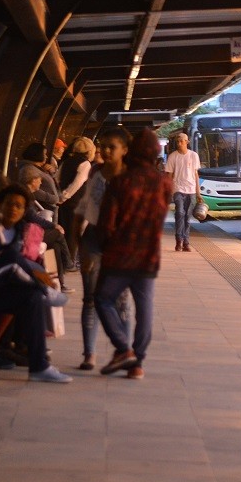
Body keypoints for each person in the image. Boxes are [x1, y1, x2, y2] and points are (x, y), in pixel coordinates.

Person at [95, 129, 173, 379]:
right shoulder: (164, 183)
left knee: (102, 299)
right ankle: (138, 362)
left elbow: (107, 222)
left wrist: (102, 247)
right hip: (149, 255)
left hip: (120, 253)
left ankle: (122, 347)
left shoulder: (121, 182)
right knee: (145, 307)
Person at [0, 184, 72, 384]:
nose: (13, 209)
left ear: (24, 211)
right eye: (9, 204)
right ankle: (44, 290)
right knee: (12, 259)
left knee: (32, 297)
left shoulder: (21, 231)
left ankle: (39, 365)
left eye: (19, 206)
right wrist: (37, 278)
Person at [73, 126, 133, 370]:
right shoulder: (95, 172)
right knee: (90, 299)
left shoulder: (133, 177)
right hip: (93, 238)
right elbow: (83, 208)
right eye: (102, 147)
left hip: (121, 243)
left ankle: (125, 351)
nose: (105, 151)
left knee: (121, 299)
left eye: (112, 147)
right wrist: (80, 246)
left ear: (125, 150)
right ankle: (89, 354)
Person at [18, 164, 76, 292]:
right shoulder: (25, 195)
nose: (40, 182)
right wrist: (54, 225)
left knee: (54, 246)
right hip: (26, 234)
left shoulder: (27, 193)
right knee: (57, 233)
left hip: (29, 231)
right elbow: (32, 217)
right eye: (39, 180)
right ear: (33, 180)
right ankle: (69, 263)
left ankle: (58, 282)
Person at [58, 136, 96, 260]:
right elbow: (77, 183)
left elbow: (57, 177)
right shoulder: (85, 164)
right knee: (74, 233)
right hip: (76, 202)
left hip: (64, 203)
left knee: (65, 230)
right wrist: (65, 196)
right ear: (90, 150)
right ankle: (70, 260)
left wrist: (60, 196)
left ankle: (65, 259)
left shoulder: (66, 161)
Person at [165, 132, 201, 252]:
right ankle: (179, 240)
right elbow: (169, 175)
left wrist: (198, 192)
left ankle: (186, 242)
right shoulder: (173, 156)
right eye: (177, 141)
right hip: (178, 189)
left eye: (181, 141)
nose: (179, 143)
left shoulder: (194, 156)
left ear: (187, 142)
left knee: (187, 216)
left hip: (191, 190)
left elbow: (196, 175)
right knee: (180, 212)